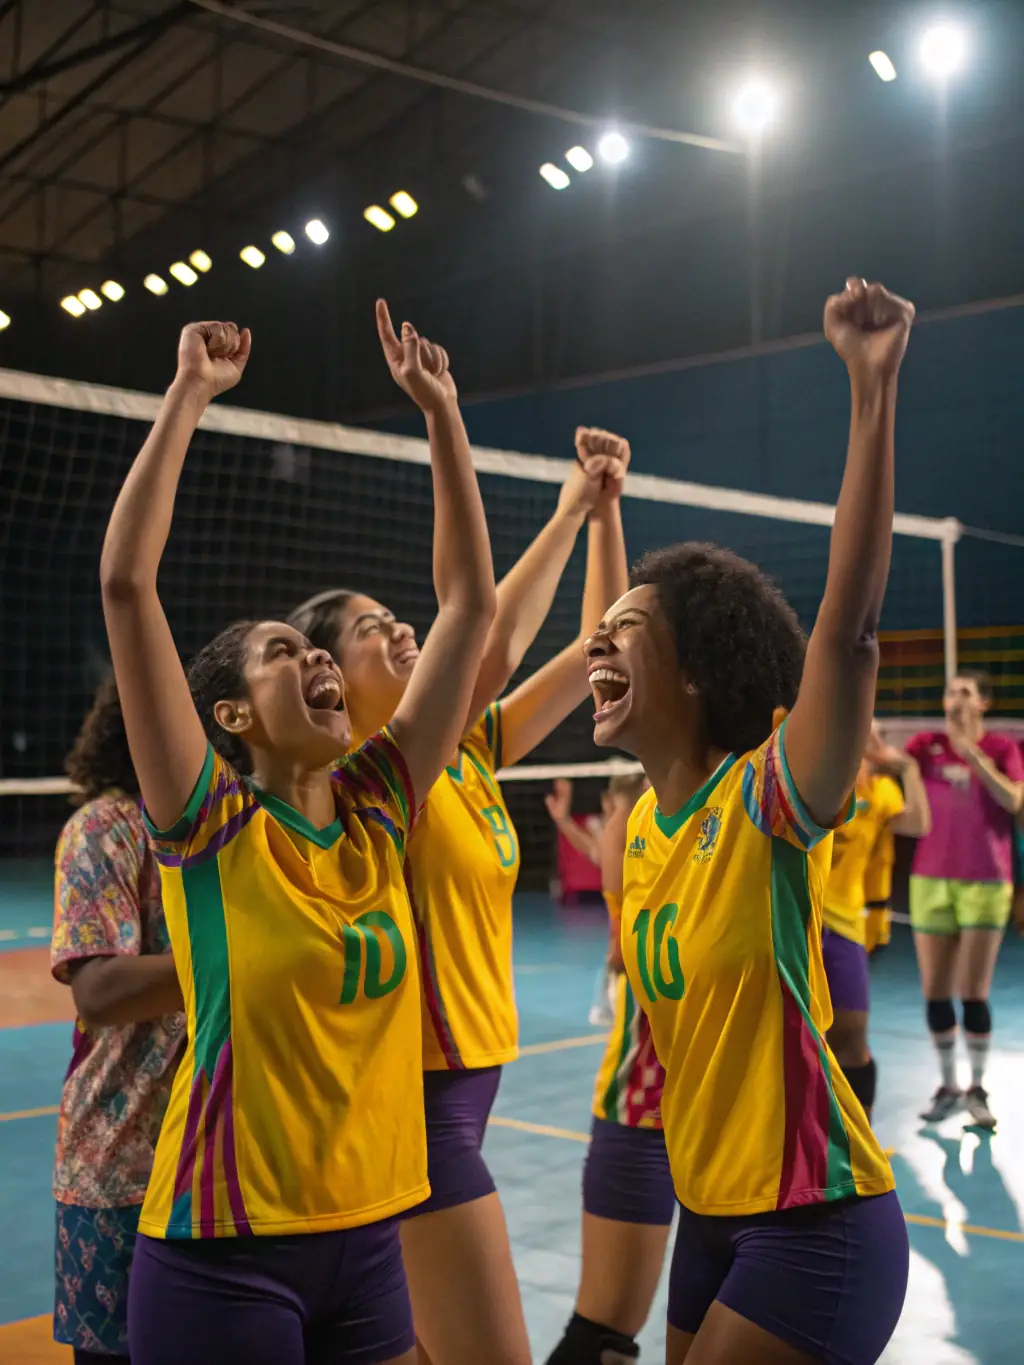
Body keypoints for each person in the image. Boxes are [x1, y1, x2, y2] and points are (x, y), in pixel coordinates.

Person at [100, 307, 497, 1365]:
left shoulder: (380, 806)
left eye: (313, 650)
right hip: (226, 1248)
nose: (317, 660)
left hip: (371, 1238)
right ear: (230, 715)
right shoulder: (210, 822)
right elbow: (128, 586)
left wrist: (443, 415)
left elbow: (468, 602)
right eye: (283, 653)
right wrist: (188, 394)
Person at [584, 277, 915, 1365]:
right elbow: (606, 641)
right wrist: (601, 519)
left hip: (814, 1218)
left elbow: (849, 631)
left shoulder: (763, 799)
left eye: (628, 630)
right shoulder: (643, 826)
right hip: (709, 1212)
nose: (596, 646)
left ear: (693, 672)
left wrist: (871, 389)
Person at [289, 429, 630, 1365]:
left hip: (469, 1087)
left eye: (399, 618)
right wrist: (559, 503)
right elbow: (483, 625)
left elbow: (596, 648)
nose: (402, 630)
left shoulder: (471, 752)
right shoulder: (364, 776)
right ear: (328, 678)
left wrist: (595, 509)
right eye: (370, 630)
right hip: (419, 1108)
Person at [51, 674, 185, 1365]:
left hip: (213, 1164)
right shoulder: (106, 826)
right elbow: (97, 990)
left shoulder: (226, 824)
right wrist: (240, 960)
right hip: (122, 1162)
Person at [546, 772, 669, 1365]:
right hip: (641, 1110)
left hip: (729, 1125)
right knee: (605, 1338)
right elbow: (607, 850)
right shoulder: (637, 825)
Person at [905, 671, 1024, 1129]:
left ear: (983, 704)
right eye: (950, 690)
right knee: (935, 992)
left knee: (972, 993)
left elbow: (1013, 800)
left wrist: (972, 756)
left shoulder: (1000, 749)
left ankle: (978, 1087)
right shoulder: (925, 745)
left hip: (986, 882)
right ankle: (949, 1085)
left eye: (965, 692)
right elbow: (889, 760)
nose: (954, 699)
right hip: (930, 880)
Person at [822, 723, 930, 1120]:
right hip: (791, 925)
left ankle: (857, 1137)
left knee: (849, 1039)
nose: (874, 742)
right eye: (866, 733)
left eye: (878, 737)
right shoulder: (812, 778)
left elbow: (917, 824)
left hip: (846, 928)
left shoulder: (880, 792)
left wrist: (910, 772)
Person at [545, 774, 645, 1026]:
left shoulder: (629, 834)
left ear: (609, 801)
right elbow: (595, 850)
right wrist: (563, 820)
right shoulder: (621, 840)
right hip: (628, 954)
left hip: (632, 956)